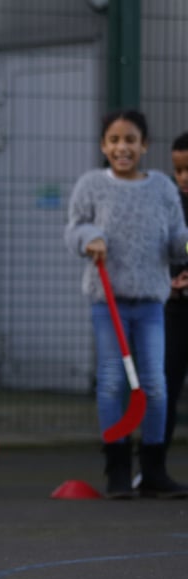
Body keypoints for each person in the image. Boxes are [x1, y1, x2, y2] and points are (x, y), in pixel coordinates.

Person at [65, 109, 188, 499]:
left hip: (151, 302)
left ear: (144, 145)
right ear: (104, 146)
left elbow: (178, 239)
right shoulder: (90, 185)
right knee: (112, 382)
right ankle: (117, 469)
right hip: (109, 303)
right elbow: (73, 229)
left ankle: (152, 470)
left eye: (131, 140)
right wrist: (88, 238)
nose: (123, 148)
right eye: (115, 140)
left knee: (154, 383)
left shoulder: (163, 189)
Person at [162, 132, 188, 453]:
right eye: (178, 170)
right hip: (174, 310)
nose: (183, 177)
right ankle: (153, 465)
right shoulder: (171, 204)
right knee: (165, 387)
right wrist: (167, 280)